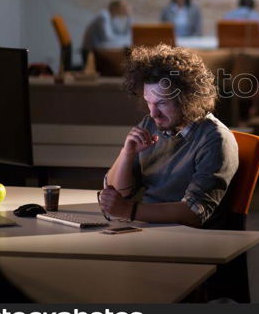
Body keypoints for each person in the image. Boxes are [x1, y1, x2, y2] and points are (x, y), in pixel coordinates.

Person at [99, 44, 239, 228]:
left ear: (188, 98)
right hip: (148, 230)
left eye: (162, 103)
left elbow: (194, 212)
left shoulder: (215, 139)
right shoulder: (150, 125)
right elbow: (117, 193)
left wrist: (129, 210)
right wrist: (127, 153)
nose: (154, 113)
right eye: (149, 102)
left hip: (192, 240)